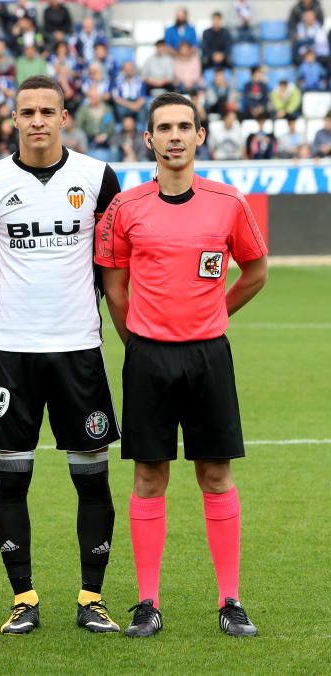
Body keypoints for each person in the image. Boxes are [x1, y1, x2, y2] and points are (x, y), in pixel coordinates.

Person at [96, 91, 268, 638]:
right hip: (147, 356)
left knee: (216, 475)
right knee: (149, 477)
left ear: (199, 136)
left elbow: (256, 271)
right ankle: (148, 602)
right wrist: (136, 340)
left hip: (209, 355)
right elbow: (114, 286)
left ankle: (231, 600)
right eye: (163, 127)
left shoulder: (227, 202)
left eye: (183, 127)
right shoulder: (126, 208)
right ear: (147, 139)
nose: (173, 136)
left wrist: (213, 312)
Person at [0, 76, 123, 636]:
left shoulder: (99, 177)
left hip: (80, 350)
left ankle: (92, 598)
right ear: (13, 118)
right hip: (13, 352)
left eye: (47, 111)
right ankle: (23, 598)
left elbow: (111, 260)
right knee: (11, 480)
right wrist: (16, 320)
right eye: (26, 112)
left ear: (64, 117)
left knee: (93, 478)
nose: (37, 120)